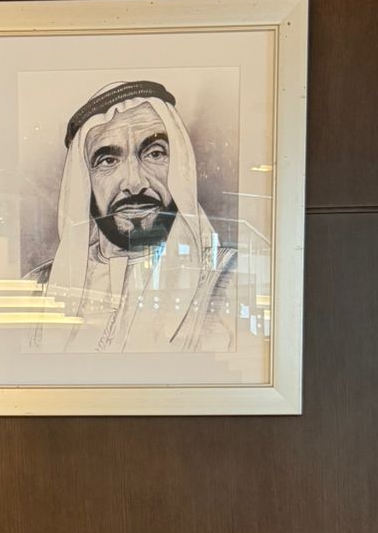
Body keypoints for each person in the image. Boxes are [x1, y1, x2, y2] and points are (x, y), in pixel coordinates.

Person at [27, 80, 240, 354]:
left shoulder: (230, 280)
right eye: (108, 161)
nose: (134, 183)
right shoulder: (36, 289)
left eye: (154, 153)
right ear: (85, 183)